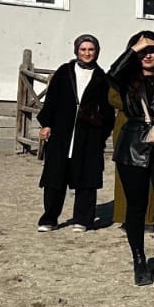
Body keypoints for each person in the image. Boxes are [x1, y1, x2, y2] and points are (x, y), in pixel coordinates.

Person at [107, 30, 154, 286]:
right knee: (136, 206)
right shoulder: (126, 79)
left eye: (153, 50)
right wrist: (134, 49)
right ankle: (139, 259)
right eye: (142, 51)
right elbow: (112, 72)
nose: (148, 55)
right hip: (133, 145)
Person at [36, 34, 115, 232]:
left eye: (91, 50)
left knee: (87, 178)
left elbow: (107, 111)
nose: (87, 53)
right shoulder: (64, 72)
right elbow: (51, 100)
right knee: (55, 177)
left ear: (97, 52)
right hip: (61, 132)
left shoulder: (102, 78)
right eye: (83, 49)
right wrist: (46, 124)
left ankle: (83, 219)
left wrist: (100, 134)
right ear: (76, 51)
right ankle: (49, 218)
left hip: (89, 134)